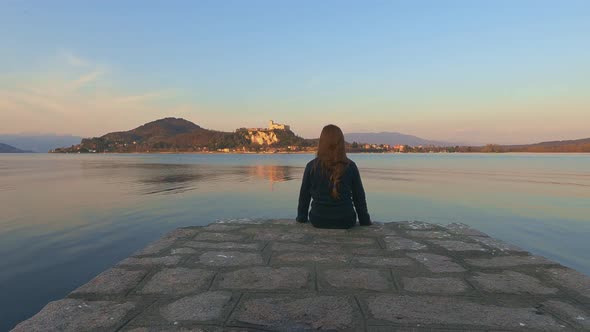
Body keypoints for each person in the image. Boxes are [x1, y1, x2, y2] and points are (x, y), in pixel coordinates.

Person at [296, 124, 372, 229]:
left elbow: (304, 196)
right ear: (341, 143)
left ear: (321, 143)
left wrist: (301, 218)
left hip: (318, 219)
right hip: (346, 220)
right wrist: (365, 221)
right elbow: (359, 197)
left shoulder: (311, 166)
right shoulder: (350, 166)